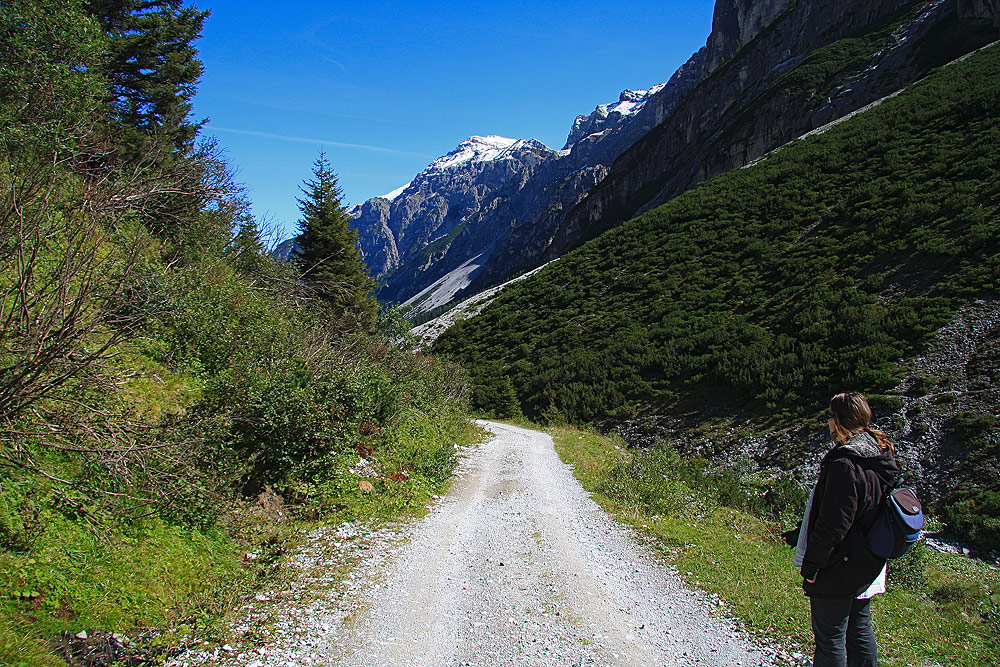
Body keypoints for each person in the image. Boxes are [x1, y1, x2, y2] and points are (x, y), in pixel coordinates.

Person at [795, 392, 899, 667]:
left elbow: (833, 525)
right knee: (859, 630)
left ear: (839, 421)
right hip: (867, 560)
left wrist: (812, 566)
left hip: (839, 564)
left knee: (830, 639)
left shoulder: (845, 464)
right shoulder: (878, 452)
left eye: (830, 417)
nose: (828, 422)